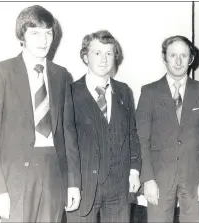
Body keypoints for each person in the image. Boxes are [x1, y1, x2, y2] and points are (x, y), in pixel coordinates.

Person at [0, 5, 81, 222]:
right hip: (15, 177)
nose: (43, 40)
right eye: (35, 33)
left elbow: (69, 133)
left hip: (54, 172)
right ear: (22, 36)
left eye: (48, 33)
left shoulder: (61, 75)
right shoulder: (0, 72)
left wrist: (73, 182)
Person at [136, 35, 199, 222]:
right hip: (159, 177)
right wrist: (147, 179)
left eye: (184, 55)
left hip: (194, 176)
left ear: (191, 59)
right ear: (164, 57)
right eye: (173, 55)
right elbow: (141, 140)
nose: (178, 61)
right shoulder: (149, 92)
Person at [65, 30, 141, 223]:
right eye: (97, 53)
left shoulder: (124, 91)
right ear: (85, 56)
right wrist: (71, 184)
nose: (104, 59)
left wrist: (134, 171)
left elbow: (132, 134)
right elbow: (66, 143)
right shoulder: (70, 93)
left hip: (119, 185)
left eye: (109, 53)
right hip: (83, 186)